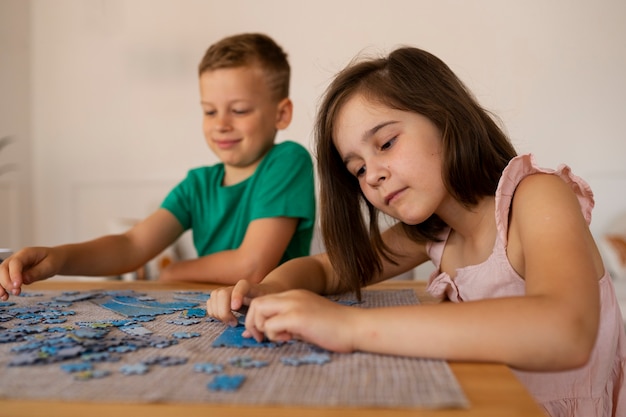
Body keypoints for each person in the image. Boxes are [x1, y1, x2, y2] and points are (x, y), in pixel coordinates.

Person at [206, 46, 626, 416]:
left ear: (446, 119)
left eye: (386, 143)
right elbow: (327, 269)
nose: (372, 176)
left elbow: (566, 329)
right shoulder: (431, 233)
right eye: (358, 169)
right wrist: (267, 290)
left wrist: (347, 327)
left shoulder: (537, 197)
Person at [0, 33, 316, 297]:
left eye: (240, 110)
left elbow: (252, 266)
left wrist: (175, 271)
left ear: (281, 114)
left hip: (276, 312)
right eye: (209, 111)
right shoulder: (198, 184)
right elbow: (131, 244)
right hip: (213, 311)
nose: (221, 124)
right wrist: (58, 257)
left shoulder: (288, 160)